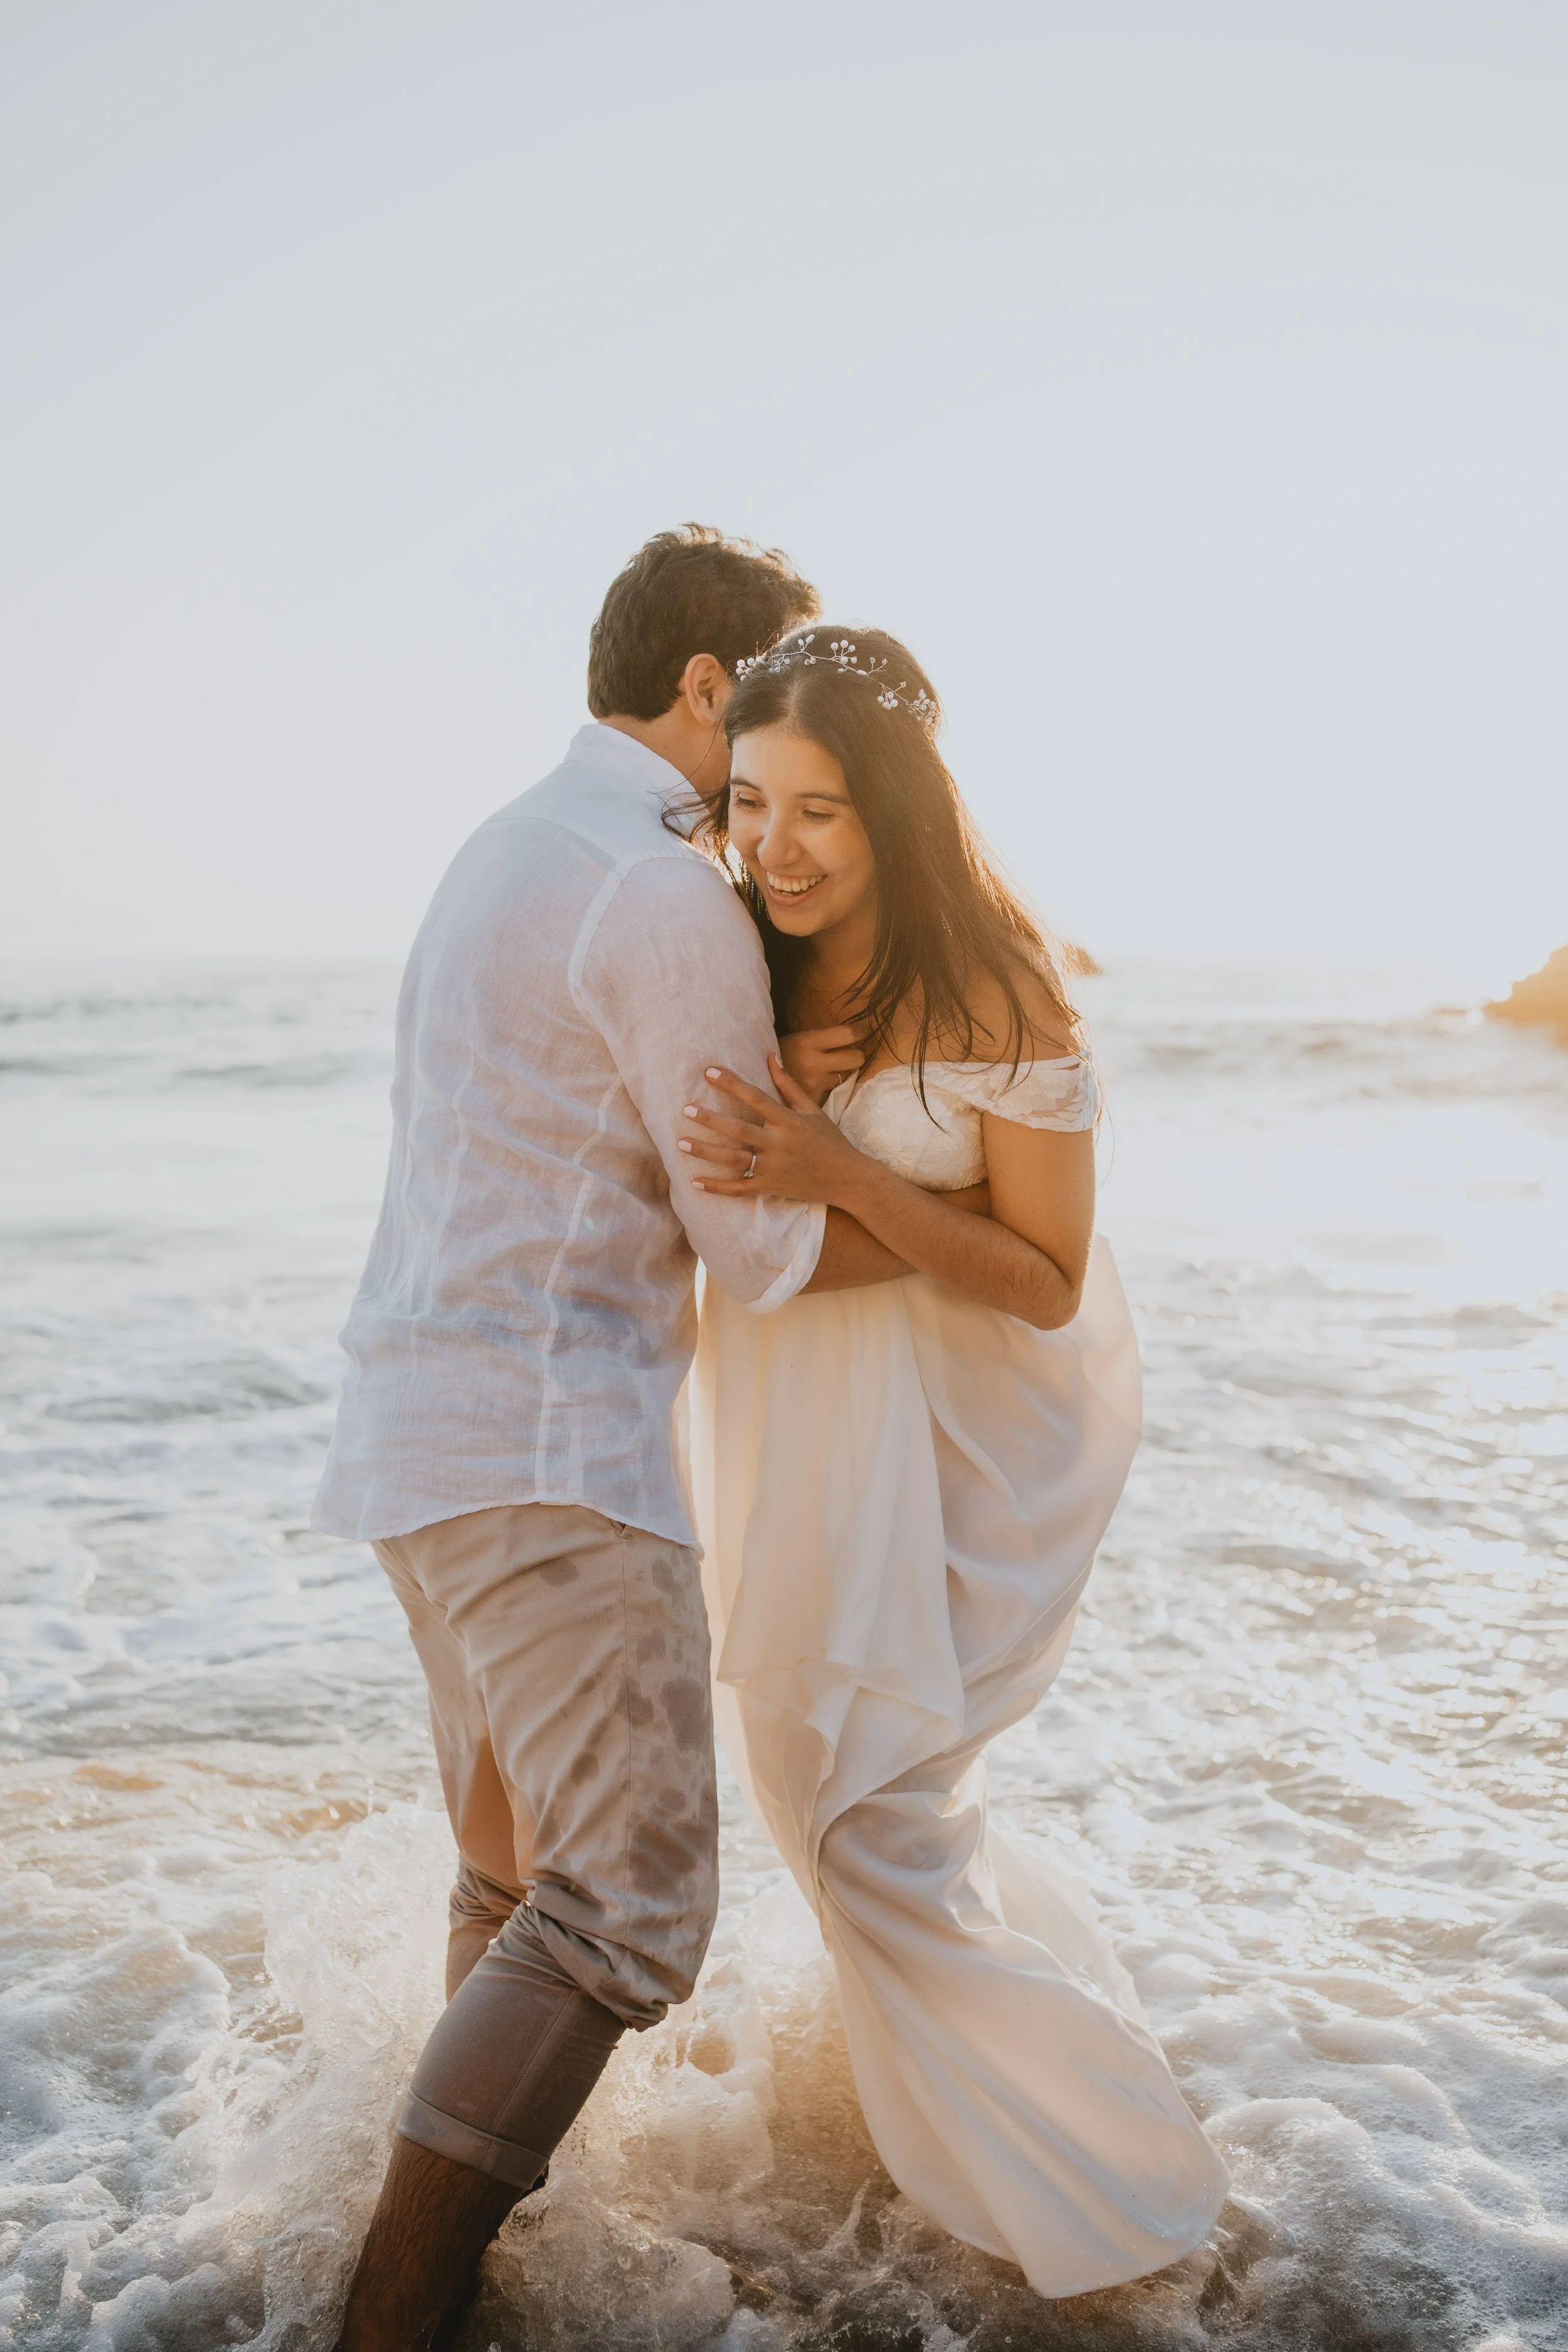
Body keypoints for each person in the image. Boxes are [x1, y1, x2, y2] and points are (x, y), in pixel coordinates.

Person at [313, 534, 920, 2352]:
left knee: (511, 1883)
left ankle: (460, 2288)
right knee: (626, 1905)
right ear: (712, 684)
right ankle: (390, 2316)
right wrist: (966, 1233)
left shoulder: (503, 844)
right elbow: (755, 1236)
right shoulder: (661, 889)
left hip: (418, 1440)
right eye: (772, 698)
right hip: (552, 1451)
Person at [681, 627, 1231, 2298]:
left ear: (896, 809)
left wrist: (838, 1172)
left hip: (968, 1440)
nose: (776, 846)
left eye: (820, 810)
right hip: (794, 1424)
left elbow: (1047, 1276)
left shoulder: (998, 985)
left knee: (872, 1827)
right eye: (751, 801)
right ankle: (969, 2153)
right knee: (826, 1806)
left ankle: (1119, 2193)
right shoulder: (735, 948)